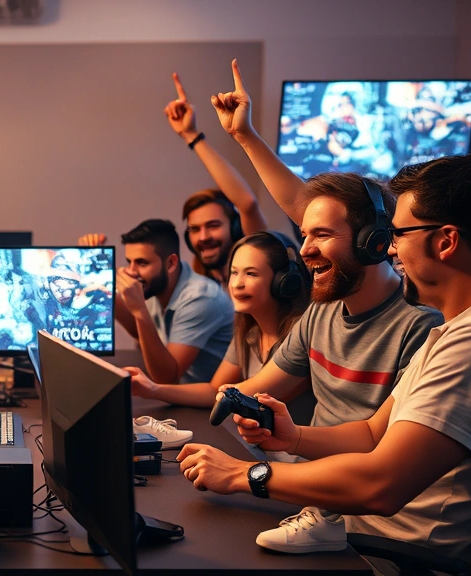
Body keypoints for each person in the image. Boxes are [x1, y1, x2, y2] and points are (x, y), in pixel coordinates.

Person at [177, 153, 471, 570]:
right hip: (346, 529)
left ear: (445, 242)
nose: (389, 248)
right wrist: (294, 438)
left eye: (398, 234)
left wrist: (241, 475)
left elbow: (380, 485)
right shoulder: (468, 326)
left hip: (382, 556)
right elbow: (371, 432)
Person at [173, 57, 443, 554]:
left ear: (372, 241)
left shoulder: (421, 328)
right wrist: (169, 429)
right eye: (303, 235)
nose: (304, 250)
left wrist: (248, 468)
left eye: (320, 235)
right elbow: (257, 387)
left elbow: (378, 448)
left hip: (356, 511)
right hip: (307, 485)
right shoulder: (322, 311)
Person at [79, 72, 268, 288]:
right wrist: (93, 263)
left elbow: (247, 203)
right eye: (194, 229)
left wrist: (192, 136)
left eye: (213, 225)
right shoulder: (193, 285)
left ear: (235, 227)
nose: (203, 237)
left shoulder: (256, 257)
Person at [129, 231, 310, 409]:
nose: (237, 284)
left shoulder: (300, 335)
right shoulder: (249, 333)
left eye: (251, 274)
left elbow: (251, 399)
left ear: (284, 281)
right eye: (234, 272)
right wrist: (152, 389)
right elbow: (214, 390)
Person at [117, 219, 234, 384]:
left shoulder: (200, 298)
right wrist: (105, 287)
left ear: (171, 263)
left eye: (142, 263)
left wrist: (139, 310)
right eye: (130, 262)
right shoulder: (158, 286)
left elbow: (166, 377)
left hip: (205, 397)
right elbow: (139, 331)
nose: (131, 271)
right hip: (176, 390)